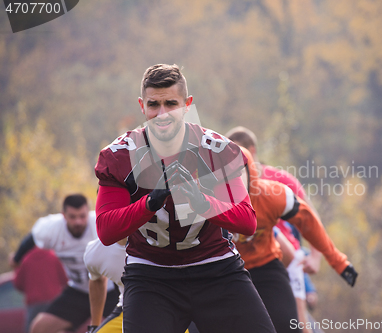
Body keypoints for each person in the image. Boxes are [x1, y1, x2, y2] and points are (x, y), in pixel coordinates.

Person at [94, 64, 276, 333]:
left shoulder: (217, 150)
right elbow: (106, 230)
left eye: (171, 103)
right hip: (151, 275)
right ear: (142, 106)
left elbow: (247, 221)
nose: (162, 114)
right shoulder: (119, 156)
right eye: (154, 104)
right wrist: (150, 201)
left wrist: (202, 202)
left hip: (215, 267)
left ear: (188, 104)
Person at [227, 127, 358, 333]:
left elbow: (309, 219)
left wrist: (335, 261)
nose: (234, 182)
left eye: (238, 173)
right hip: (228, 270)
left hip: (270, 263)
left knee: (290, 324)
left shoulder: (274, 190)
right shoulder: (212, 200)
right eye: (227, 175)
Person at [11, 194, 119, 333]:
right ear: (63, 215)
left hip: (107, 290)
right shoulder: (52, 229)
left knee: (129, 325)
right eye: (73, 217)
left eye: (82, 216)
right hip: (78, 290)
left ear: (89, 213)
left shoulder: (99, 224)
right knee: (39, 328)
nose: (78, 222)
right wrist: (17, 258)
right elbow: (33, 237)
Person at [11, 247, 68, 333]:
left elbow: (18, 284)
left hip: (34, 305)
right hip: (53, 303)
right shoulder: (53, 257)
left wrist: (15, 267)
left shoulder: (26, 259)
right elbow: (65, 280)